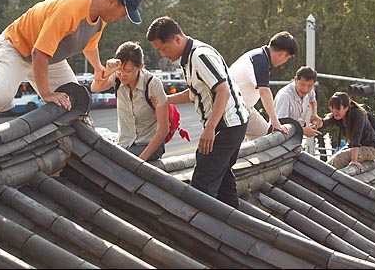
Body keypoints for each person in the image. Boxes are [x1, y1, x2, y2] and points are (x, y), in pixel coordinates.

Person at [0, 0, 143, 128]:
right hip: (16, 48)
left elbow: (89, 45)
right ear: (111, 2)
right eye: (124, 12)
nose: (122, 18)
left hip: (50, 59)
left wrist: (97, 68)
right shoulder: (70, 9)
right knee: (1, 96)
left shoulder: (100, 19)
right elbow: (38, 53)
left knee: (75, 101)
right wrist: (46, 93)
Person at [146, 16, 249, 210]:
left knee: (202, 185)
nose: (162, 54)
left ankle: (207, 231)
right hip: (228, 125)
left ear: (176, 39)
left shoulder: (199, 56)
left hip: (226, 126)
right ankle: (236, 225)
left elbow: (223, 90)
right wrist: (165, 100)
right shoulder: (188, 59)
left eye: (163, 48)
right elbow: (196, 93)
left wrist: (210, 128)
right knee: (223, 183)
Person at [91, 42, 169, 162]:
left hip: (148, 145)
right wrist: (108, 71)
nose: (122, 75)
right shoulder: (117, 77)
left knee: (119, 162)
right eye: (120, 70)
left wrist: (140, 161)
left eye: (128, 71)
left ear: (140, 67)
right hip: (125, 144)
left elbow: (164, 129)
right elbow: (94, 88)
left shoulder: (153, 84)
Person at [229, 31, 298, 140]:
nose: (284, 62)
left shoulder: (261, 56)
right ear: (282, 54)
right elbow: (264, 92)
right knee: (234, 148)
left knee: (266, 138)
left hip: (244, 109)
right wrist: (275, 121)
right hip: (231, 111)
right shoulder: (259, 61)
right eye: (287, 58)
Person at [319, 92, 375, 172]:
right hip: (354, 147)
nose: (335, 111)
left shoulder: (358, 114)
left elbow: (356, 138)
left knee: (339, 159)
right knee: (332, 160)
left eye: (338, 108)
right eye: (332, 108)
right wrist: (316, 124)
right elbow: (325, 122)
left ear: (346, 107)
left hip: (371, 148)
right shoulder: (339, 114)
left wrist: (354, 160)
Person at [274, 66, 323, 137]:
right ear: (295, 80)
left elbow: (313, 100)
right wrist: (303, 131)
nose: (305, 89)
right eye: (302, 85)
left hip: (295, 137)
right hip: (280, 138)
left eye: (310, 86)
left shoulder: (310, 91)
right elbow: (280, 125)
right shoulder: (284, 96)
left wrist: (314, 115)